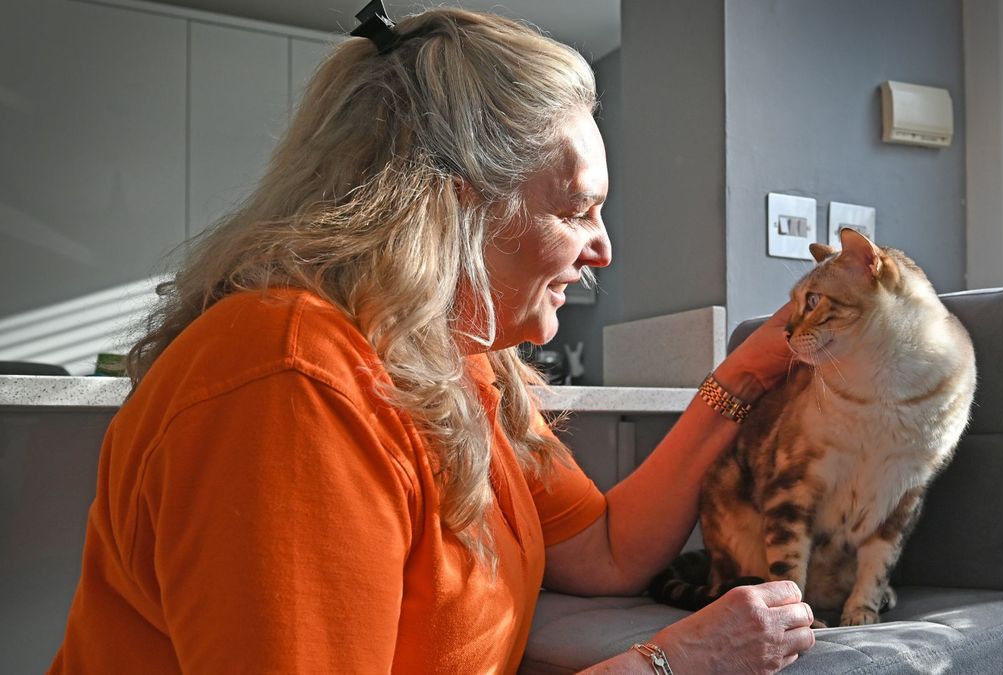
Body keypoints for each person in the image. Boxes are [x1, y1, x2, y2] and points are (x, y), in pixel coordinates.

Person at [49, 3, 815, 673]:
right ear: (457, 210)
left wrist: (745, 373)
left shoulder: (461, 362)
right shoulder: (293, 381)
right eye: (578, 208)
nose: (603, 247)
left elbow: (608, 547)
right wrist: (669, 664)